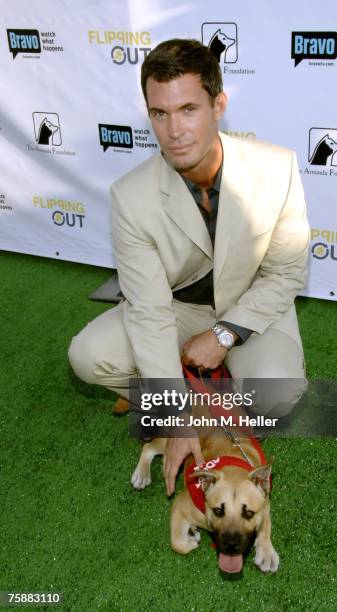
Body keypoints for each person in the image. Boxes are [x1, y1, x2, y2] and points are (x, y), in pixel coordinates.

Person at [68, 38, 310, 496]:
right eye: (160, 114)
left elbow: (285, 274)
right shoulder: (130, 195)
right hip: (178, 309)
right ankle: (184, 397)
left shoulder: (277, 168)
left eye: (187, 109)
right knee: (88, 354)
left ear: (218, 104)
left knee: (276, 397)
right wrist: (178, 419)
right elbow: (149, 308)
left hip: (250, 306)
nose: (174, 130)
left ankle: (186, 388)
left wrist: (224, 335)